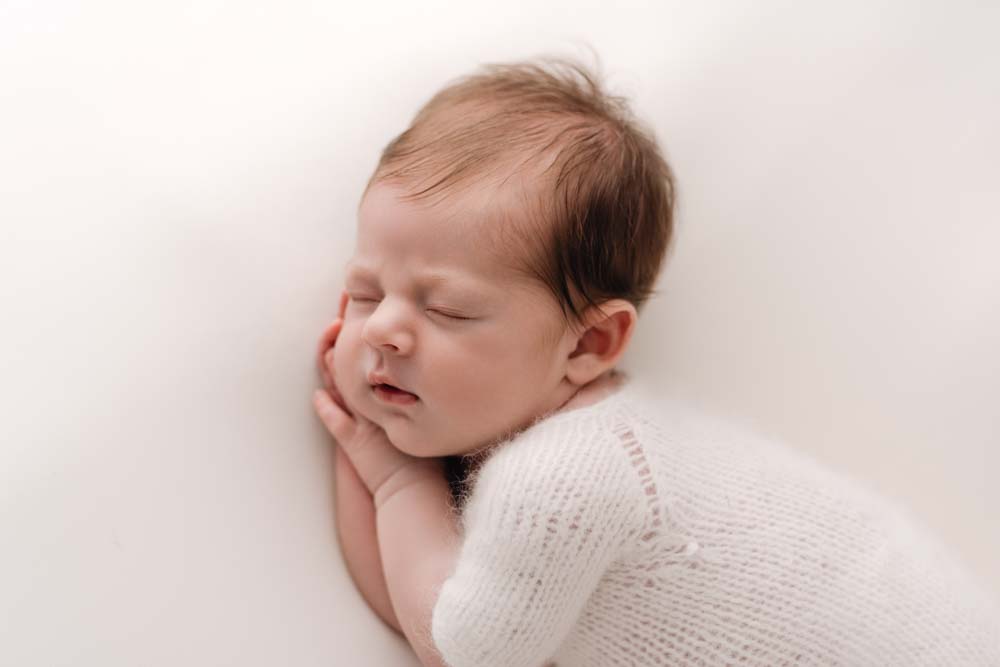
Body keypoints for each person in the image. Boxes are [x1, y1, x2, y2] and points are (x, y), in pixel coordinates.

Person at [312, 57, 999, 666]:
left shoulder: (566, 475)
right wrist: (376, 446)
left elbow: (456, 644)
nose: (385, 332)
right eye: (367, 293)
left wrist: (393, 473)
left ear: (588, 344)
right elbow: (418, 611)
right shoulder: (559, 443)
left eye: (447, 310)